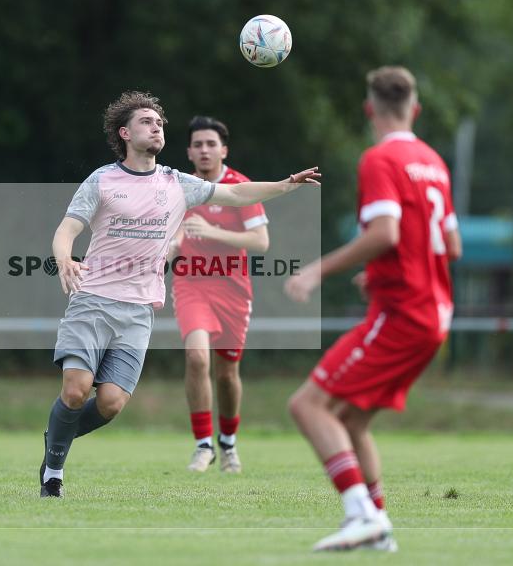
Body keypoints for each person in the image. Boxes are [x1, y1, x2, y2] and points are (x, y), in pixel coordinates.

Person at [39, 90, 320, 498]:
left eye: (160, 123)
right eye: (147, 122)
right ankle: (53, 471)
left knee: (111, 403)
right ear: (125, 133)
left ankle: (56, 438)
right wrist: (65, 259)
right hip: (93, 299)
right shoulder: (102, 180)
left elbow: (236, 194)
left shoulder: (176, 183)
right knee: (76, 389)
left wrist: (285, 185)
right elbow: (67, 228)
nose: (157, 127)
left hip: (138, 312)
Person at [284, 66, 461, 551]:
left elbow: (385, 234)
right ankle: (377, 526)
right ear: (416, 110)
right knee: (351, 420)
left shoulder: (379, 160)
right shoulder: (434, 163)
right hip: (435, 315)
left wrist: (317, 270)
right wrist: (384, 272)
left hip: (404, 313)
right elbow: (452, 245)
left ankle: (360, 513)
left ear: (369, 110)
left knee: (307, 405)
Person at [169, 116, 269, 474]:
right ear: (189, 152)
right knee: (197, 358)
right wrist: (169, 246)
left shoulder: (239, 186)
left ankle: (228, 443)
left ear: (223, 150)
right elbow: (174, 234)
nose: (204, 150)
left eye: (211, 144)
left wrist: (212, 231)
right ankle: (203, 445)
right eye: (198, 144)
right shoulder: (179, 186)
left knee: (227, 373)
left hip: (233, 289)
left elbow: (261, 242)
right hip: (191, 283)